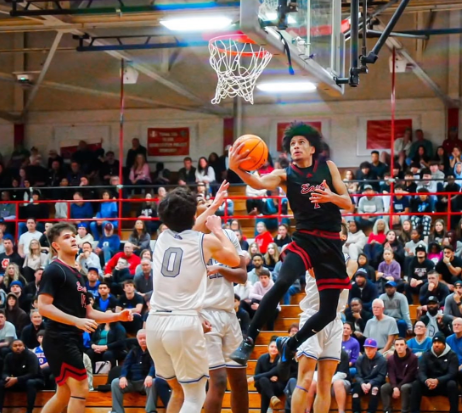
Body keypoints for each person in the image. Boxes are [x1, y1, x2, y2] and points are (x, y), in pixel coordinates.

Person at [228, 122, 353, 366]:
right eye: (293, 143)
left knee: (328, 312)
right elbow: (258, 183)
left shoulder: (328, 168)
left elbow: (348, 203)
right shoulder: (286, 174)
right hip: (305, 239)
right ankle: (249, 339)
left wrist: (331, 197)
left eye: (301, 143)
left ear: (312, 148)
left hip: (330, 243)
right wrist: (237, 169)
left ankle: (293, 342)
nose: (296, 146)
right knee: (283, 281)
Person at [145, 187, 240, 413]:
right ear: (192, 215)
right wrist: (217, 229)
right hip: (183, 324)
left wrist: (214, 206)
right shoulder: (205, 242)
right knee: (195, 397)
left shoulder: (163, 238)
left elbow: (189, 229)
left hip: (155, 324)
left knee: (178, 391)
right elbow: (234, 259)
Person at [37, 222, 133, 413]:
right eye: (66, 237)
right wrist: (76, 321)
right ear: (55, 245)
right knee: (80, 389)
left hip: (71, 338)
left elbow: (88, 312)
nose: (73, 238)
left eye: (73, 235)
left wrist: (117, 316)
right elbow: (43, 307)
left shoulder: (79, 274)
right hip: (59, 337)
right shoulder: (54, 270)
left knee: (64, 393)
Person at [291, 231, 356, 413]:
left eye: (338, 232)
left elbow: (346, 275)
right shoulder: (315, 253)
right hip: (314, 315)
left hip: (334, 320)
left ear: (343, 237)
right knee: (305, 379)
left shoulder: (349, 260)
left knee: (325, 384)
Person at [410, 333, 458, 413]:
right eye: (434, 343)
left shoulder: (452, 355)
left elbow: (452, 373)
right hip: (429, 386)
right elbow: (421, 371)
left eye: (439, 343)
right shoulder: (426, 354)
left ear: (444, 344)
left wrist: (437, 380)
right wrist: (426, 381)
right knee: (416, 384)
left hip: (443, 386)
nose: (436, 345)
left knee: (452, 384)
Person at [0, 339, 43, 413]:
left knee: (30, 382)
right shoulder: (9, 356)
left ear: (24, 346)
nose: (18, 347)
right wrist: (6, 377)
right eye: (15, 346)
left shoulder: (31, 356)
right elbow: (4, 372)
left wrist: (17, 379)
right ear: (11, 347)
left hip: (36, 380)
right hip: (18, 381)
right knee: (1, 383)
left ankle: (29, 411)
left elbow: (33, 373)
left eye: (20, 345)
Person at [380, 338, 418, 413]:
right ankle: (387, 411)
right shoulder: (391, 359)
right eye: (397, 345)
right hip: (396, 382)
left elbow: (410, 376)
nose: (399, 347)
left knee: (404, 387)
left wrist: (397, 387)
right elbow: (391, 374)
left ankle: (404, 411)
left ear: (406, 346)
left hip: (409, 382)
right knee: (384, 388)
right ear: (394, 346)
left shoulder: (413, 358)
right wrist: (395, 387)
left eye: (401, 344)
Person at [351, 338, 387, 413]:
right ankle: (356, 411)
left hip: (376, 382)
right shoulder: (360, 359)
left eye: (371, 348)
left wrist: (371, 383)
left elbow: (381, 376)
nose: (368, 351)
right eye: (366, 348)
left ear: (376, 349)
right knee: (355, 392)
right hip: (363, 381)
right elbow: (358, 374)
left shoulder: (382, 360)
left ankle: (371, 411)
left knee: (375, 390)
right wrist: (362, 383)